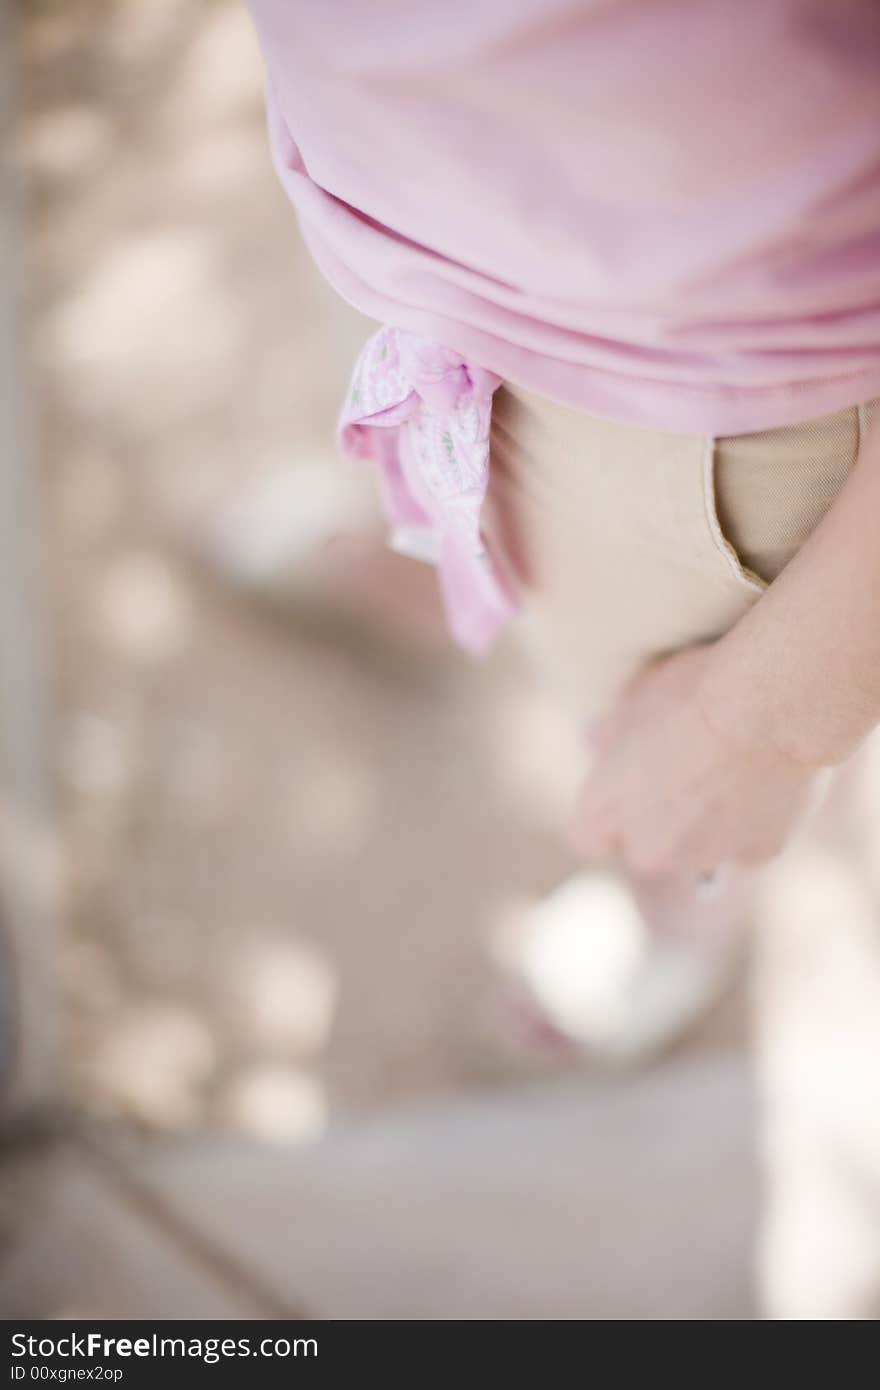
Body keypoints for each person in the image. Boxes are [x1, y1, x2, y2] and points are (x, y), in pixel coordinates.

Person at [243, 0, 880, 1051]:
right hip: (380, 221)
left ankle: (678, 919)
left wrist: (757, 725)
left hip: (711, 395)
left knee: (658, 757)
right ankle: (430, 568)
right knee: (419, 469)